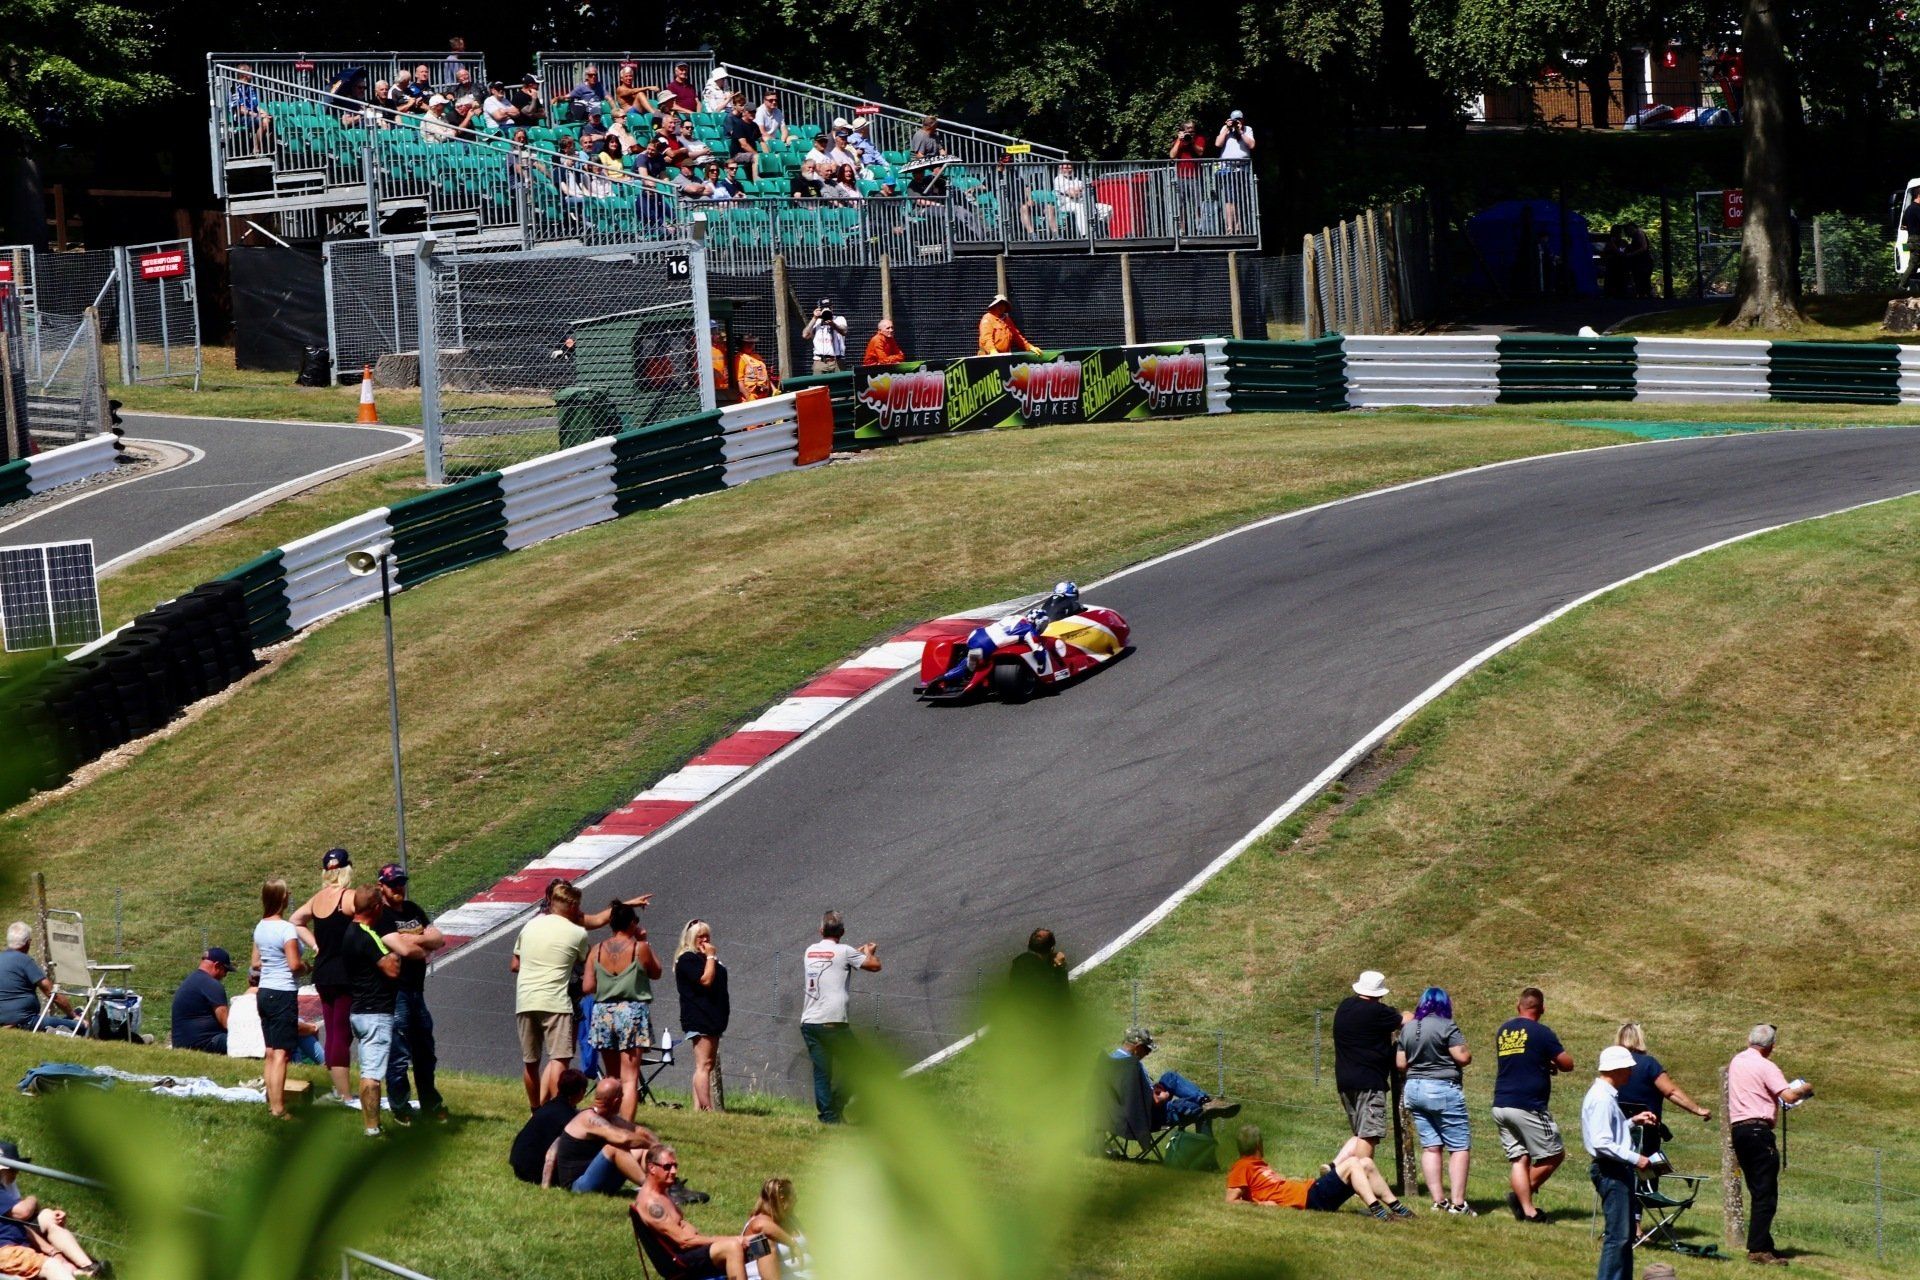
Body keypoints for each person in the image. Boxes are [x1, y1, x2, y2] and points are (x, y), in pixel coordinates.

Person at [340, 885, 426, 1137]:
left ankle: (372, 1125)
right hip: (375, 1012)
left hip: (359, 1010)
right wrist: (398, 949)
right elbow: (392, 969)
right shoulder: (368, 934)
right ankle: (372, 1128)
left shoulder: (349, 932)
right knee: (372, 1074)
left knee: (370, 1068)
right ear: (376, 907)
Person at [1728, 1024, 1813, 1265]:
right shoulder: (1766, 1066)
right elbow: (1788, 1096)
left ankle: (1764, 1243)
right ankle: (1757, 1250)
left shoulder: (1737, 1061)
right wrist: (1805, 1088)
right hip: (1758, 1131)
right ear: (1772, 1046)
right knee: (1765, 1192)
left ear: (1748, 1039)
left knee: (1757, 1189)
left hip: (1739, 1131)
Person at [1491, 986, 1575, 1222]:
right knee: (1554, 1154)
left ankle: (1528, 1212)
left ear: (1519, 1006)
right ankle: (1522, 1197)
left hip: (1501, 1103)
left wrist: (1542, 1061)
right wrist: (1552, 1061)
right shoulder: (1542, 1032)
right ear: (1542, 1009)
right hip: (1527, 1105)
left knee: (1519, 1157)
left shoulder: (1504, 1030)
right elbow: (1567, 1063)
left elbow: (1521, 1059)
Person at [377, 864, 447, 1124]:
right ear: (381, 887)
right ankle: (400, 1106)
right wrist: (421, 942)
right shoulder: (381, 915)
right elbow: (406, 951)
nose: (398, 888)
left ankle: (431, 1102)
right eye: (393, 884)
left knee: (425, 1051)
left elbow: (438, 938)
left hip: (417, 992)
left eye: (401, 882)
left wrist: (411, 939)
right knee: (399, 1053)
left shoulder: (413, 909)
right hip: (395, 993)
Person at [1225, 1125, 1413, 1221]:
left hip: (1311, 1192)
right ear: (1259, 1145)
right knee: (1353, 1163)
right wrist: (1261, 1206)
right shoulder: (1242, 1166)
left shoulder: (1257, 1165)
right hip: (1309, 1198)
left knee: (1366, 1163)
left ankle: (1398, 1208)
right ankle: (1377, 1210)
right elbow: (1231, 1201)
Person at [1583, 1045, 1660, 1280]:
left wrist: (1633, 1121)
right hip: (1611, 1170)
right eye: (1628, 1068)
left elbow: (1610, 1133)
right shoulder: (1602, 1099)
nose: (1630, 1073)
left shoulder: (1605, 1096)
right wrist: (1637, 1158)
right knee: (1617, 1237)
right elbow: (1602, 1142)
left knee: (1624, 1236)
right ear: (1615, 1069)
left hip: (1616, 1169)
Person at [513, 880, 591, 1110]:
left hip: (525, 999)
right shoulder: (577, 932)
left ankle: (535, 1109)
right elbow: (582, 960)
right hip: (555, 1000)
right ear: (572, 907)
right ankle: (558, 1110)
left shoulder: (530, 926)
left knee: (530, 1061)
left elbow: (517, 958)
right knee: (559, 1058)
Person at [1398, 985, 1475, 1214]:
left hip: (1413, 1089)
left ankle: (1438, 1201)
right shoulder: (1446, 1026)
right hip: (1441, 1088)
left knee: (1431, 1147)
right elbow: (1462, 1057)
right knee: (1459, 1147)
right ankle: (1458, 1203)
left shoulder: (1409, 1028)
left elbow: (1401, 1063)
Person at [800, 911, 880, 1124]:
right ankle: (836, 1103)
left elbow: (833, 958)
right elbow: (874, 966)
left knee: (822, 1071)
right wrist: (869, 952)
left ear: (820, 930)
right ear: (842, 932)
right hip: (833, 1022)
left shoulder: (810, 951)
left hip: (810, 1021)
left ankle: (828, 1117)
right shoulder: (845, 952)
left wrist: (856, 952)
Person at [584, 902, 662, 1121]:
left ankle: (607, 1120)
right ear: (631, 923)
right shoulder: (640, 948)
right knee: (630, 1078)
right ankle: (625, 1126)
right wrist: (643, 939)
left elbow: (588, 987)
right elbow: (656, 972)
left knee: (611, 1075)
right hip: (631, 1011)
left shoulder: (596, 950)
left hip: (603, 1012)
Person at [292, 847, 357, 1103]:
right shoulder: (348, 897)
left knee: (332, 1029)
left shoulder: (317, 899)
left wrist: (316, 944)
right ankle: (344, 1094)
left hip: (322, 972)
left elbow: (297, 920)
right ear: (347, 870)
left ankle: (337, 1087)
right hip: (344, 973)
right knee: (342, 1033)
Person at [633, 1147, 753, 1280]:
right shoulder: (652, 1205)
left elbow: (681, 1228)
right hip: (680, 1262)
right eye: (667, 1166)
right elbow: (684, 1241)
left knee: (760, 1243)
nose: (674, 1171)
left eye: (675, 1166)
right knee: (732, 1246)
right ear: (652, 1168)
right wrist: (728, 1239)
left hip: (690, 1253)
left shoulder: (662, 1192)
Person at [1613, 1022, 1711, 1172]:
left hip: (1618, 1131)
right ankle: (1649, 1192)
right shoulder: (1649, 1064)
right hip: (1647, 1134)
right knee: (1649, 1180)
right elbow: (1671, 1092)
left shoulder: (1612, 1064)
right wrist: (1697, 1109)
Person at [250, 879, 309, 1117]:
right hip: (283, 992)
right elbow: (294, 964)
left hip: (264, 992)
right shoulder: (286, 929)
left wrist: (272, 965)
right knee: (282, 1053)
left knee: (271, 1051)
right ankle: (279, 1107)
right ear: (282, 898)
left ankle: (271, 1101)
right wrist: (307, 967)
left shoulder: (260, 927)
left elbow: (255, 963)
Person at [0, 1141, 102, 1277]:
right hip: (7, 1248)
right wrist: (33, 1199)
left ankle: (88, 1267)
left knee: (49, 1217)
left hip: (17, 1240)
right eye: (12, 1169)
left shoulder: (7, 1185)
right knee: (53, 1267)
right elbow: (22, 1213)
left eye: (17, 1169)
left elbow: (21, 1222)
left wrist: (53, 1252)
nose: (16, 1173)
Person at [1332, 970, 1403, 1163]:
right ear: (1380, 994)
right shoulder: (1377, 1012)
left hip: (1345, 1079)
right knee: (1369, 1135)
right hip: (1369, 1081)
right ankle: (1361, 1181)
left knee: (1359, 1132)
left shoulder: (1344, 1007)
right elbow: (1406, 1020)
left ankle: (1335, 1168)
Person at [544, 1077, 659, 1193]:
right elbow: (623, 1139)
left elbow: (637, 1130)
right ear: (616, 1101)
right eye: (622, 1098)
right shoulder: (589, 1119)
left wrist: (657, 1147)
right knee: (614, 1148)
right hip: (577, 1186)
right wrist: (652, 1144)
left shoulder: (609, 1117)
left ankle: (663, 1183)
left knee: (642, 1149)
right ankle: (653, 1189)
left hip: (598, 1177)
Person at [1110, 1027, 1238, 1130]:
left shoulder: (1111, 1061)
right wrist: (1163, 1096)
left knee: (1170, 1077)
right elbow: (1155, 1101)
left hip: (1123, 1114)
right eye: (1147, 1049)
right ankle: (1207, 1156)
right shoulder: (1133, 1066)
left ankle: (1206, 1102)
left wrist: (1154, 1091)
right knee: (1197, 1110)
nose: (1148, 1053)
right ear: (1138, 1047)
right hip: (1146, 1117)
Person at [674, 920, 729, 1113]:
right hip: (700, 1017)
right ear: (691, 938)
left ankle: (698, 1109)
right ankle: (707, 1108)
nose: (705, 940)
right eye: (700, 936)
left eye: (707, 936)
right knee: (703, 1065)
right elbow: (705, 980)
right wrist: (711, 957)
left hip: (712, 1018)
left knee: (707, 1064)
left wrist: (711, 958)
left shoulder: (704, 958)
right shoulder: (688, 959)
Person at [509, 1067, 591, 1183]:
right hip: (534, 1172)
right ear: (580, 1092)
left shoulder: (548, 1107)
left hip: (518, 1164)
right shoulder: (568, 1119)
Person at [0, 922, 76, 1034]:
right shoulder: (25, 961)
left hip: (3, 1020)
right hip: (26, 1021)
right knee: (80, 1026)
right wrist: (73, 1015)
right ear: (27, 943)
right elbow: (51, 993)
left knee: (60, 1019)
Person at [743, 1177, 810, 1280]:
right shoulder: (756, 1226)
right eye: (794, 1196)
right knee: (762, 1241)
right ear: (782, 1199)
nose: (797, 1200)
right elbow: (759, 1225)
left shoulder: (792, 1220)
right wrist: (792, 1243)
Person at [169, 948, 232, 1054]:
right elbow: (226, 1023)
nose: (225, 975)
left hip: (182, 1043)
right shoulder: (212, 985)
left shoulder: (190, 980)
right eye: (225, 970)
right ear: (217, 965)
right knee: (247, 1043)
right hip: (205, 1042)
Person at [1214, 110, 1255, 235]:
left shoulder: (1247, 129)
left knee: (1239, 198)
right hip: (1226, 169)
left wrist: (1240, 131)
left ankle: (1239, 225)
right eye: (1235, 120)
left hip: (1242, 170)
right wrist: (1227, 128)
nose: (1237, 122)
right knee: (1229, 198)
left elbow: (1252, 145)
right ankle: (1230, 227)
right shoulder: (1225, 129)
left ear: (1243, 120)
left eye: (1239, 119)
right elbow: (1218, 144)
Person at [1007, 928, 1068, 1005]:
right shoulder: (1044, 973)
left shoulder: (1019, 961)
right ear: (1052, 949)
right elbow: (1062, 998)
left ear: (1029, 944)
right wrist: (1060, 967)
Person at [228, 63, 273, 150]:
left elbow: (256, 106)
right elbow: (239, 109)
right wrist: (257, 115)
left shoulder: (250, 87)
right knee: (263, 120)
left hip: (252, 115)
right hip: (240, 117)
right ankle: (258, 149)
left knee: (270, 119)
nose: (253, 75)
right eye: (251, 73)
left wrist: (264, 113)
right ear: (245, 74)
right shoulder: (234, 88)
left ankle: (265, 149)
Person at [802, 301, 847, 374]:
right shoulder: (817, 322)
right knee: (818, 385)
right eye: (824, 307)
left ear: (832, 308)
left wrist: (833, 324)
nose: (826, 309)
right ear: (819, 309)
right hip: (820, 361)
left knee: (840, 384)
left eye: (828, 307)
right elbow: (805, 335)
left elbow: (844, 332)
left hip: (837, 361)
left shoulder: (840, 319)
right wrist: (814, 317)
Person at [734, 335, 775, 401]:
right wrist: (748, 397)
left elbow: (766, 376)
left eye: (752, 343)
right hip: (750, 398)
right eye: (747, 343)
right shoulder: (740, 358)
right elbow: (740, 382)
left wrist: (774, 389)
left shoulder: (757, 357)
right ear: (741, 345)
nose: (750, 345)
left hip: (764, 396)